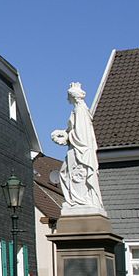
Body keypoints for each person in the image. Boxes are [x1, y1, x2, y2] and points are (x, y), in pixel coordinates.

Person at [51, 82, 105, 214]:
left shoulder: (79, 111)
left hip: (80, 152)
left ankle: (78, 201)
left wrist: (66, 137)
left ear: (73, 96)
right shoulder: (82, 110)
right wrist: (64, 132)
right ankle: (77, 201)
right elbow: (76, 131)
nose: (67, 99)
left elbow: (80, 136)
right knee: (65, 173)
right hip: (78, 150)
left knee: (66, 174)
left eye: (68, 96)